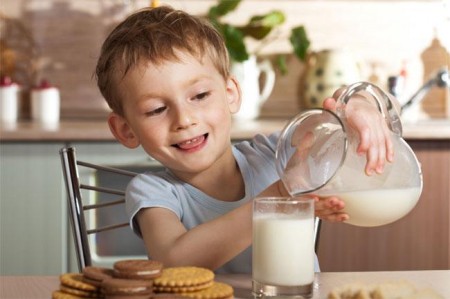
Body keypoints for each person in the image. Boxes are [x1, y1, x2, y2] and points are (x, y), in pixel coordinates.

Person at [95, 6, 395, 274]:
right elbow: (173, 262)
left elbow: (346, 123)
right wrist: (280, 196)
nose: (184, 120)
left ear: (231, 94)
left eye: (200, 96)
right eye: (157, 110)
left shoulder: (273, 153)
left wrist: (359, 106)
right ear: (126, 130)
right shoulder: (154, 193)